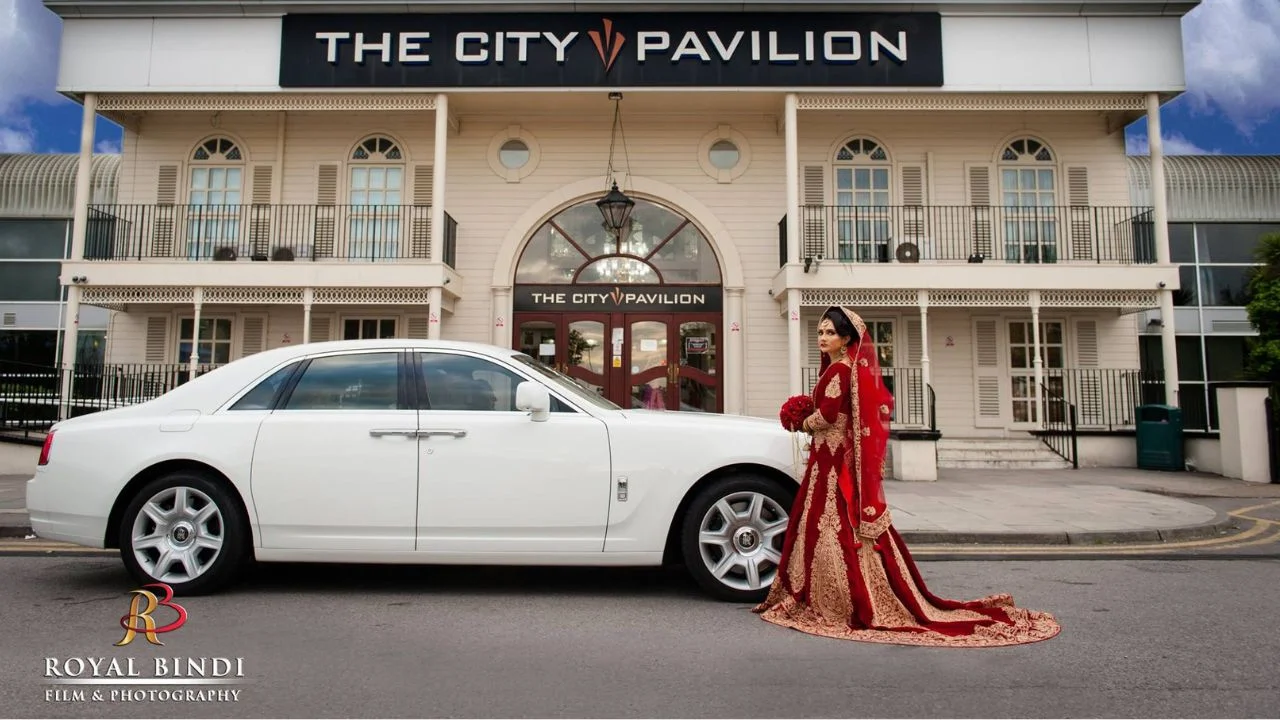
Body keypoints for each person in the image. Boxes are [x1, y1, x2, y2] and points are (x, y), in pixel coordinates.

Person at [753, 306, 1062, 647]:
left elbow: (826, 416)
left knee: (833, 525)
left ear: (846, 340)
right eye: (820, 332)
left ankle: (838, 601)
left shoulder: (840, 371)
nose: (822, 338)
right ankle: (826, 593)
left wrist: (800, 421)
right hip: (828, 457)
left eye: (830, 333)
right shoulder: (838, 369)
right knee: (830, 525)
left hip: (832, 459)